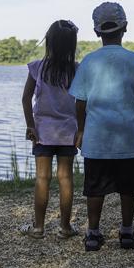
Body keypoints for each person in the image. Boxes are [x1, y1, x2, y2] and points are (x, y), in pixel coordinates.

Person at [68, 2, 134, 251]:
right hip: (129, 136)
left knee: (95, 187)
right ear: (125, 28)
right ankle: (127, 231)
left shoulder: (88, 62)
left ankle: (93, 233)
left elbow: (80, 101)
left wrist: (81, 130)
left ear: (96, 32)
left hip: (97, 137)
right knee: (129, 187)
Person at [19, 19, 80, 240]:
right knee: (65, 178)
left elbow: (26, 98)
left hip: (42, 132)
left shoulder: (37, 67)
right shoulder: (76, 69)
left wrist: (30, 125)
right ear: (71, 45)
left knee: (42, 178)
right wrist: (82, 128)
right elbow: (83, 102)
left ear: (49, 42)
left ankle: (38, 228)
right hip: (68, 133)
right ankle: (65, 227)